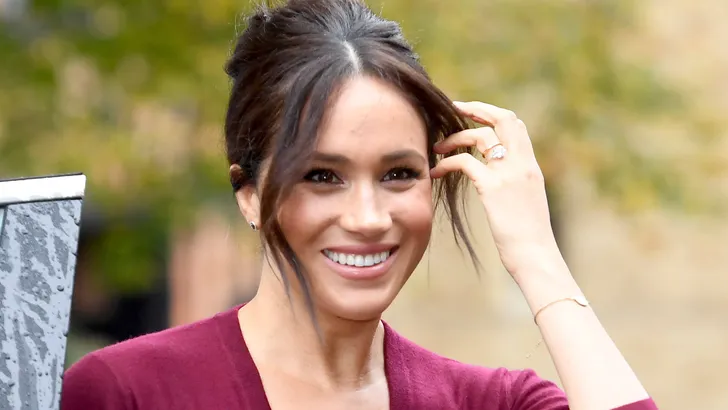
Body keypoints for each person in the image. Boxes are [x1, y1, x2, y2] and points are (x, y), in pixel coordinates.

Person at [60, 0, 659, 409]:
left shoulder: (489, 402)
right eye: (322, 176)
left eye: (399, 174)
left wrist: (535, 254)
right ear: (248, 192)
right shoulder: (127, 392)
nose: (369, 219)